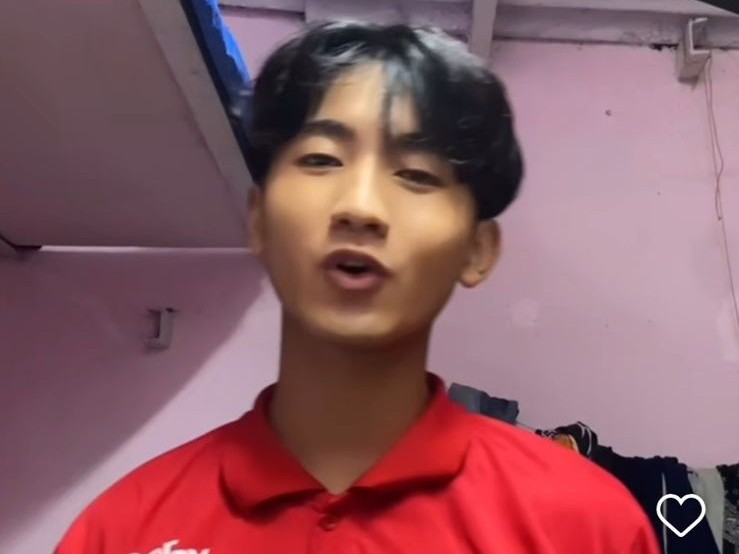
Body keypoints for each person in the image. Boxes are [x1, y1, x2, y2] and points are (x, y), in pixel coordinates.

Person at [56, 21, 660, 554]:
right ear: (259, 220)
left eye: (416, 174)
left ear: (477, 250)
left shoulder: (586, 526)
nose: (361, 207)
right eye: (322, 160)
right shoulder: (123, 531)